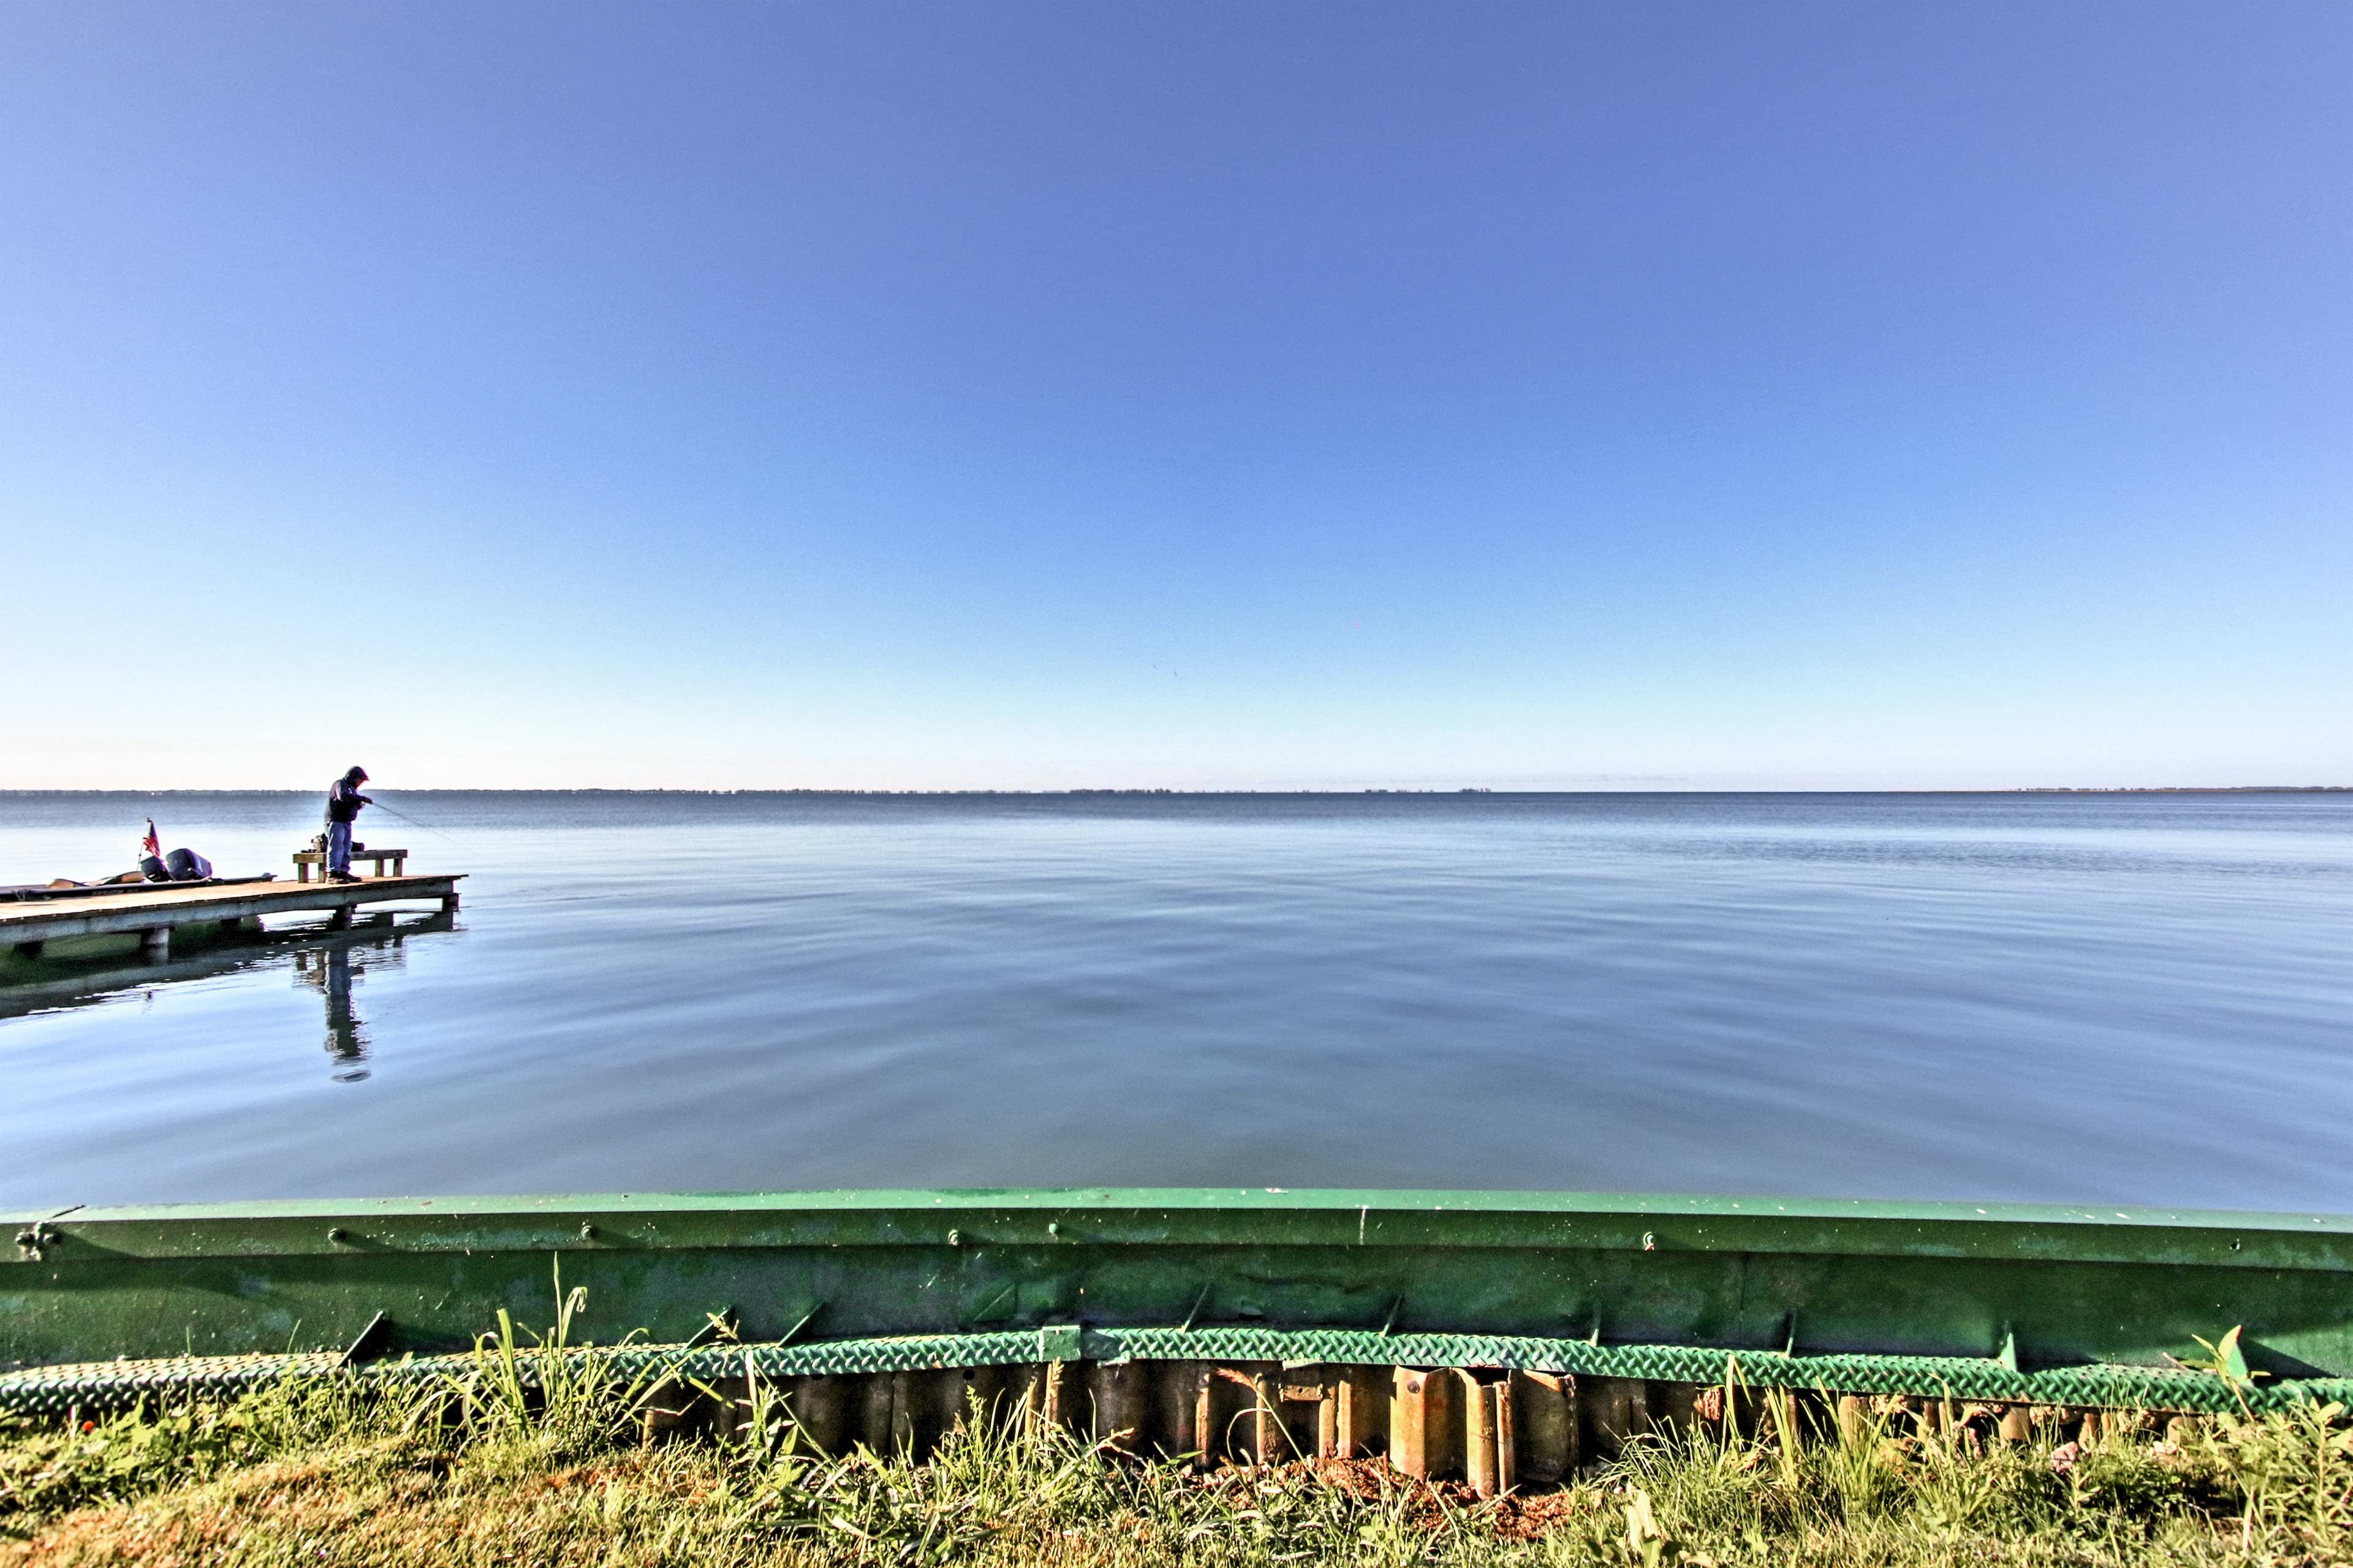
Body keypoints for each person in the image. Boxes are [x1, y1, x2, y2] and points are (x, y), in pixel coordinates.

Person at [324, 767, 374, 883]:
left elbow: (351, 801)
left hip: (347, 822)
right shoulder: (340, 784)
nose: (360, 782)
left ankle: (343, 872)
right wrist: (362, 798)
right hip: (336, 821)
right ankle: (332, 874)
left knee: (346, 847)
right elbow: (343, 797)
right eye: (360, 779)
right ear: (353, 777)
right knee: (336, 847)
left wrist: (359, 804)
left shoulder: (352, 789)